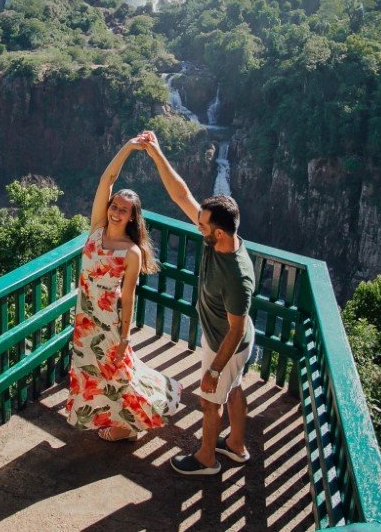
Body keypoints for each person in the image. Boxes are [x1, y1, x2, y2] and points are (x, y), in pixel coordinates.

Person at [142, 130, 255, 476]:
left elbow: (236, 331)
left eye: (203, 224)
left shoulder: (237, 276)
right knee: (232, 390)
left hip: (228, 342)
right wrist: (157, 153)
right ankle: (236, 446)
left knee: (210, 400)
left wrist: (215, 368)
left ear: (218, 232)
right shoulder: (219, 240)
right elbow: (181, 194)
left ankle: (207, 459)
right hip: (221, 334)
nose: (198, 226)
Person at [65, 137, 182, 441]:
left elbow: (128, 298)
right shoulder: (96, 229)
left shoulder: (132, 252)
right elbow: (108, 179)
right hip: (85, 319)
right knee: (93, 371)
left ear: (132, 217)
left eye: (123, 209)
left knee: (119, 374)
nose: (116, 211)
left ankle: (132, 422)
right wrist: (128, 148)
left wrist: (125, 336)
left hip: (110, 323)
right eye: (114, 206)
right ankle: (121, 422)